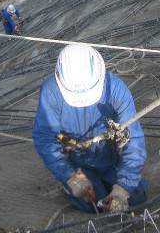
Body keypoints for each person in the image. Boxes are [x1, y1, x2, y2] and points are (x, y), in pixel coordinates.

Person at [33, 44, 148, 214]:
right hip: (76, 162)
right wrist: (70, 176)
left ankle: (115, 184)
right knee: (92, 201)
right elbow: (45, 139)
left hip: (109, 158)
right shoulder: (51, 92)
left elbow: (134, 140)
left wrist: (122, 189)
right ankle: (70, 188)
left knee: (137, 194)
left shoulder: (115, 89)